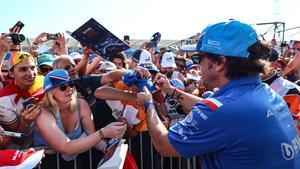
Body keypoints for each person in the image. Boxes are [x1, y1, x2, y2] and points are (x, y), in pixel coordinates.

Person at [137, 20, 300, 169]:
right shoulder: (267, 93)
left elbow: (163, 144)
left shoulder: (221, 112)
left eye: (198, 58)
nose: (197, 65)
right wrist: (171, 90)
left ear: (219, 63)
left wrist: (149, 103)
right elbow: (218, 113)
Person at [34, 69, 126, 169]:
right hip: (46, 164)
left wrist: (111, 147)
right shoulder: (43, 114)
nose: (69, 89)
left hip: (75, 163)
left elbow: (93, 137)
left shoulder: (81, 104)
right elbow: (65, 148)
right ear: (51, 92)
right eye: (63, 87)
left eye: (72, 84)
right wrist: (104, 133)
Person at [0, 52, 44, 149]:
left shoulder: (45, 82)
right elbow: (17, 139)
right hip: (26, 152)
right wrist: (25, 123)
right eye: (23, 69)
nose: (30, 73)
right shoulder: (4, 101)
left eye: (32, 68)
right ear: (11, 73)